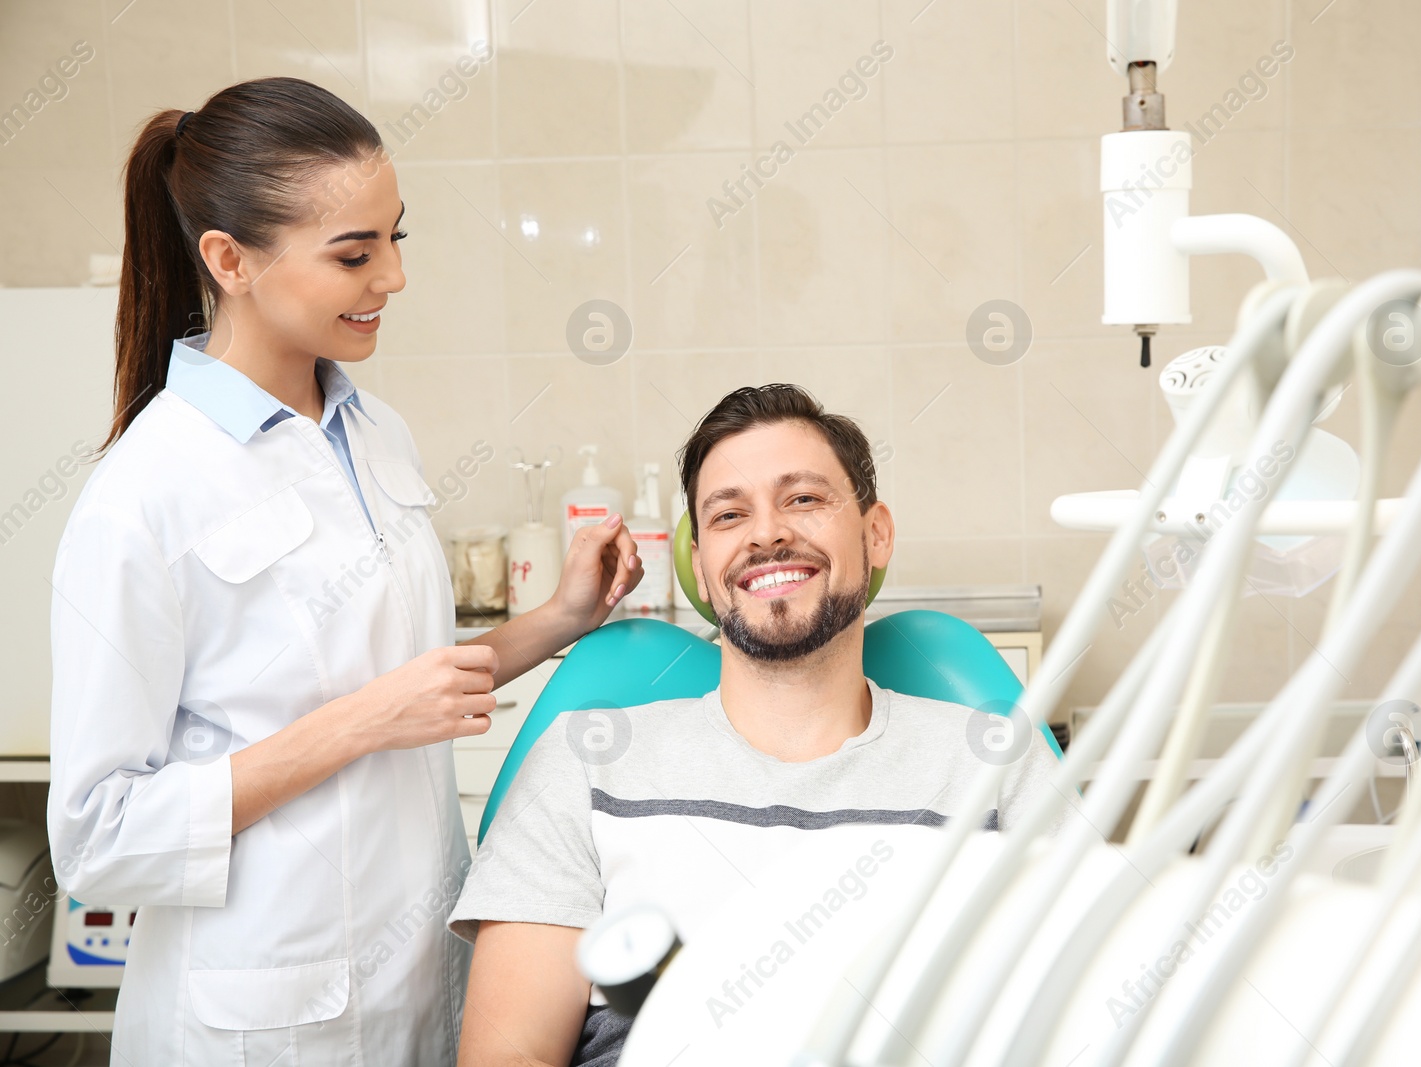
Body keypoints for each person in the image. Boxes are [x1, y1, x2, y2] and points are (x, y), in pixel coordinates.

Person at [47, 77, 642, 1065]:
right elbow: (100, 837)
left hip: (420, 979)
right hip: (262, 1015)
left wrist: (559, 618)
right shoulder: (144, 493)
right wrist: (363, 721)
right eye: (355, 254)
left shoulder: (372, 432)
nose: (392, 278)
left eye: (395, 239)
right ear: (229, 260)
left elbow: (407, 681)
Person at [449, 384, 1062, 1067]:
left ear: (875, 533)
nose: (767, 533)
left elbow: (1083, 1026)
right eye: (729, 514)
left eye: (803, 498)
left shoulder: (995, 766)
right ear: (704, 572)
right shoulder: (584, 765)